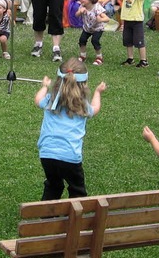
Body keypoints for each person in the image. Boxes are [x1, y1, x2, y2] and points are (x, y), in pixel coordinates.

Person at [34, 58, 106, 200]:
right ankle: (75, 220)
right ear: (83, 84)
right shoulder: (82, 105)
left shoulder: (50, 100)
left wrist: (44, 86)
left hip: (47, 154)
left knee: (53, 186)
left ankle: (47, 219)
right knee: (77, 190)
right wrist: (98, 92)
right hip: (70, 157)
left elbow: (38, 100)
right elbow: (95, 109)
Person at [116, 0, 148, 67]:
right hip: (127, 19)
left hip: (136, 20)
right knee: (128, 41)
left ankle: (144, 60)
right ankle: (130, 58)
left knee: (139, 42)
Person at [76, 0, 109, 66]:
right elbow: (76, 15)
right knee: (82, 40)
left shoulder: (97, 7)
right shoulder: (82, 6)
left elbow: (107, 18)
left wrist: (100, 20)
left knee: (95, 41)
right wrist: (80, 12)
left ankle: (99, 57)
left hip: (97, 28)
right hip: (87, 28)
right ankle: (82, 56)